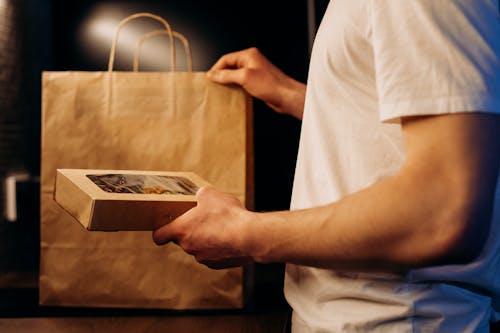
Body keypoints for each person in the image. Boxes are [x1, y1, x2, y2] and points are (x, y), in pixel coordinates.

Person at [153, 1, 500, 332]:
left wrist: (242, 233)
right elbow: (395, 131)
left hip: (394, 320)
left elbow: (442, 211)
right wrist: (293, 95)